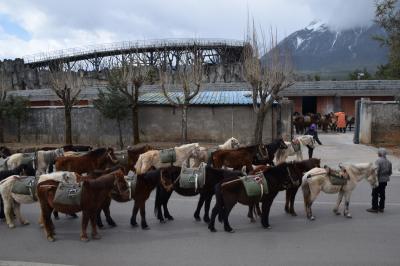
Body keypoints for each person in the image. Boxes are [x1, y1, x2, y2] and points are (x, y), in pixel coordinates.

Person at [367, 148, 392, 213]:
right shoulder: (389, 162)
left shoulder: (378, 161)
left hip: (378, 180)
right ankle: (381, 208)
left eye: (378, 152)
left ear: (380, 153)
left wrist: (373, 179)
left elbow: (376, 172)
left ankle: (374, 208)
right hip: (385, 181)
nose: (377, 153)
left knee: (375, 194)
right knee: (382, 194)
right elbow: (390, 172)